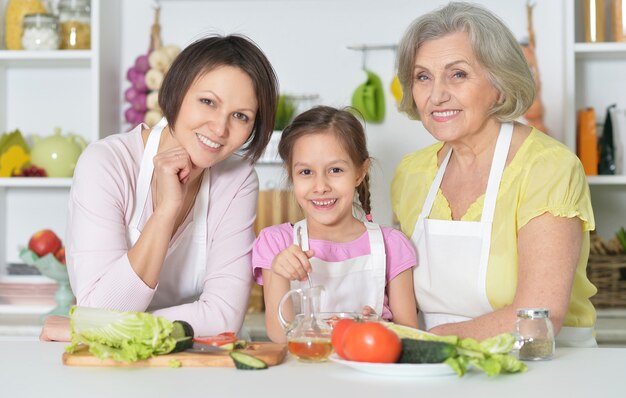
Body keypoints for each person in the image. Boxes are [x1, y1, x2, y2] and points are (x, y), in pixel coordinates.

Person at [39, 34, 279, 341]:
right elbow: (100, 307)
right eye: (208, 102)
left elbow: (224, 317)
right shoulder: (106, 164)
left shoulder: (237, 179)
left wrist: (92, 328)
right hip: (114, 367)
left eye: (240, 116)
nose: (220, 129)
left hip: (202, 363)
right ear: (177, 92)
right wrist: (166, 211)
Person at [391, 2, 597, 347]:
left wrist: (426, 341)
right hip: (436, 367)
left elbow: (540, 316)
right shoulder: (411, 173)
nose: (437, 95)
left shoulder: (548, 168)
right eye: (422, 76)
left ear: (499, 84)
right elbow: (398, 290)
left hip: (544, 366)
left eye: (458, 74)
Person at [253, 106, 419, 343]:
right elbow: (280, 336)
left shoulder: (391, 245)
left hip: (368, 373)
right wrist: (279, 272)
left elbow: (411, 334)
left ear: (360, 173)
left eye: (335, 170)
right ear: (291, 175)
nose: (320, 186)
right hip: (304, 372)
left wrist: (380, 328)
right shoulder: (276, 243)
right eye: (306, 171)